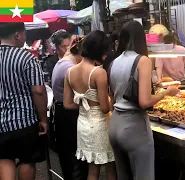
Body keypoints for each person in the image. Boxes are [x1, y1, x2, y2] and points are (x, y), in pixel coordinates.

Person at [108, 20, 179, 180]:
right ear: (142, 38)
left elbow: (113, 98)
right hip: (134, 128)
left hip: (115, 125)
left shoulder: (114, 62)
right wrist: (166, 93)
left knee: (123, 176)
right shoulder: (142, 61)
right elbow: (144, 101)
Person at [63, 30, 116, 180]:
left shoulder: (69, 72)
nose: (106, 56)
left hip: (83, 124)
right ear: (99, 51)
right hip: (100, 124)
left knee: (92, 170)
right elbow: (105, 108)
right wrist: (111, 99)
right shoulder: (99, 73)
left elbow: (67, 104)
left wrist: (84, 105)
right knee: (111, 167)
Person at [0, 23, 47, 180]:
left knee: (5, 159)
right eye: (25, 34)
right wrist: (43, 119)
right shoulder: (27, 58)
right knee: (27, 160)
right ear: (17, 35)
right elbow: (38, 91)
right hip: (25, 121)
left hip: (1, 124)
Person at [51, 35, 88, 180]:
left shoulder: (63, 62)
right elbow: (83, 95)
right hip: (69, 116)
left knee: (68, 159)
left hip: (61, 113)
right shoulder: (70, 67)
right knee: (76, 160)